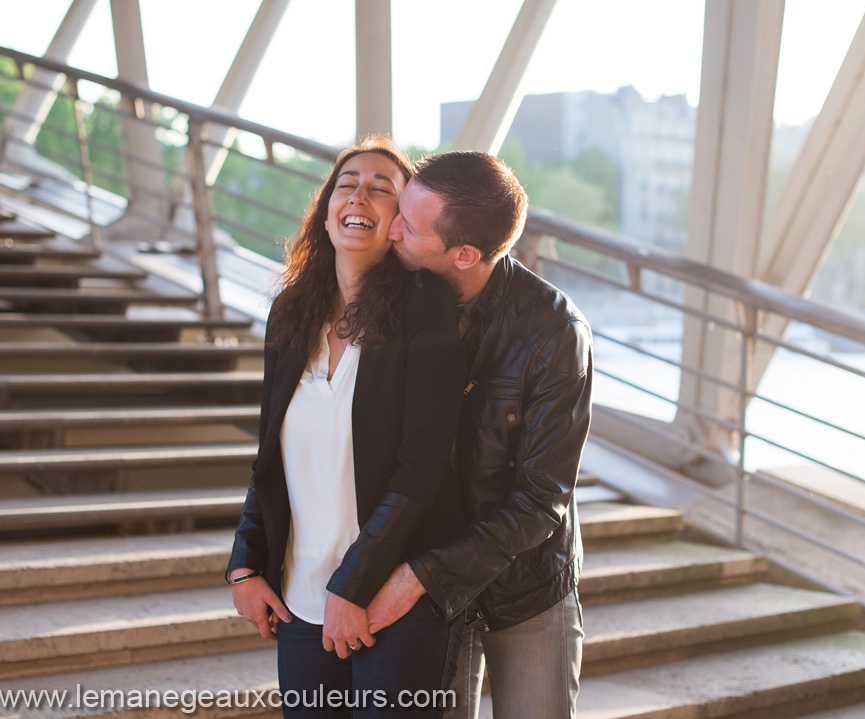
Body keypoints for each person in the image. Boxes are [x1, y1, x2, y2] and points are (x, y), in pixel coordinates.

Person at [226, 136, 466, 718]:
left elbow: (422, 468)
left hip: (392, 600)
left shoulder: (426, 308)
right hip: (301, 601)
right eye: (347, 183)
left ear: (398, 224)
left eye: (383, 188)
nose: (360, 194)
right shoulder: (290, 313)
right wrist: (244, 564)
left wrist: (351, 587)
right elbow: (270, 457)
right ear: (327, 211)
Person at [367, 151, 593, 719]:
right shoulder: (392, 296)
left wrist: (421, 575)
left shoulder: (554, 331)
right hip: (426, 591)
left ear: (464, 255)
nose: (389, 229)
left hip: (526, 584)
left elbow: (542, 501)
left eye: (409, 226)